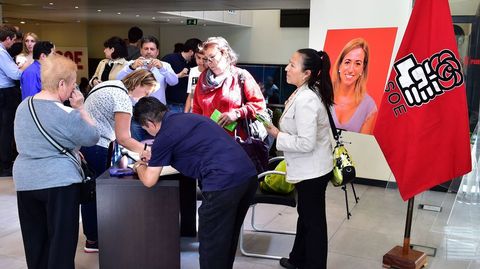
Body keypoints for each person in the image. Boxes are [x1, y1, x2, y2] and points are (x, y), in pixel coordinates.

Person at [132, 96, 257, 269]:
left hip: (222, 183)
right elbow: (190, 146)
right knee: (227, 237)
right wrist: (156, 155)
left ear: (149, 123)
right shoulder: (188, 118)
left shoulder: (164, 135)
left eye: (145, 129)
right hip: (247, 177)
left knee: (211, 243)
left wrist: (139, 165)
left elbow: (149, 180)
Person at [13, 54, 99, 269]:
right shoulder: (67, 113)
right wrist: (80, 107)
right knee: (61, 241)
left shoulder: (24, 106)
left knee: (35, 240)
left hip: (25, 181)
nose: (73, 90)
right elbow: (92, 136)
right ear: (62, 83)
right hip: (59, 182)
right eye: (72, 84)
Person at [265, 49, 334, 269]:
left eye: (292, 65)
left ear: (307, 73)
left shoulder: (306, 99)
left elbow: (306, 143)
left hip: (312, 171)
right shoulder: (302, 92)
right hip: (310, 169)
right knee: (306, 218)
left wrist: (277, 135)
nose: (287, 68)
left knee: (313, 223)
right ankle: (298, 259)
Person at [81, 69, 156, 252]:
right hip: (98, 147)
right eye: (146, 92)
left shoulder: (108, 84)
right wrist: (148, 150)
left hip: (85, 144)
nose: (142, 98)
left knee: (90, 193)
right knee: (98, 195)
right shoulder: (122, 97)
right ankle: (96, 239)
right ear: (138, 84)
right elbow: (124, 138)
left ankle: (92, 237)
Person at [192, 36, 266, 139]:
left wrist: (237, 114)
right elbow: (197, 109)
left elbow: (259, 105)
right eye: (206, 59)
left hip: (235, 141)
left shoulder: (241, 76)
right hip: (208, 139)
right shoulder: (203, 78)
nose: (209, 62)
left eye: (212, 57)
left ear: (224, 53)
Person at [331, 37, 377, 134]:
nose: (351, 69)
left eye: (357, 64)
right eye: (347, 62)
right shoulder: (321, 94)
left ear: (362, 69)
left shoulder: (369, 106)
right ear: (340, 64)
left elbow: (361, 147)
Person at [116, 35, 178, 105]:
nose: (149, 52)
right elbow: (118, 79)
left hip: (158, 108)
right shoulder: (132, 64)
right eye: (146, 49)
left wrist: (162, 69)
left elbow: (174, 82)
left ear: (157, 52)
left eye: (152, 49)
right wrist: (132, 68)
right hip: (135, 107)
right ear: (141, 51)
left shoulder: (165, 65)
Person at [0, 24, 23, 177]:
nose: (14, 43)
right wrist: (24, 67)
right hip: (5, 94)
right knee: (6, 130)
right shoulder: (2, 53)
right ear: (7, 39)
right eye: (13, 40)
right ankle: (5, 165)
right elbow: (15, 74)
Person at [162, 38, 202, 113]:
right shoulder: (169, 59)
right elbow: (160, 79)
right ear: (191, 52)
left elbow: (193, 87)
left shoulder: (195, 65)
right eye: (197, 55)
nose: (199, 59)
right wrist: (178, 75)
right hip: (171, 105)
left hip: (188, 104)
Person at [184, 46, 207, 112]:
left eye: (204, 59)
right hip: (193, 111)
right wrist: (185, 114)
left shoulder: (212, 72)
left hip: (207, 112)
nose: (201, 61)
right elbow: (191, 93)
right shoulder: (193, 71)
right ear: (195, 55)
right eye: (199, 57)